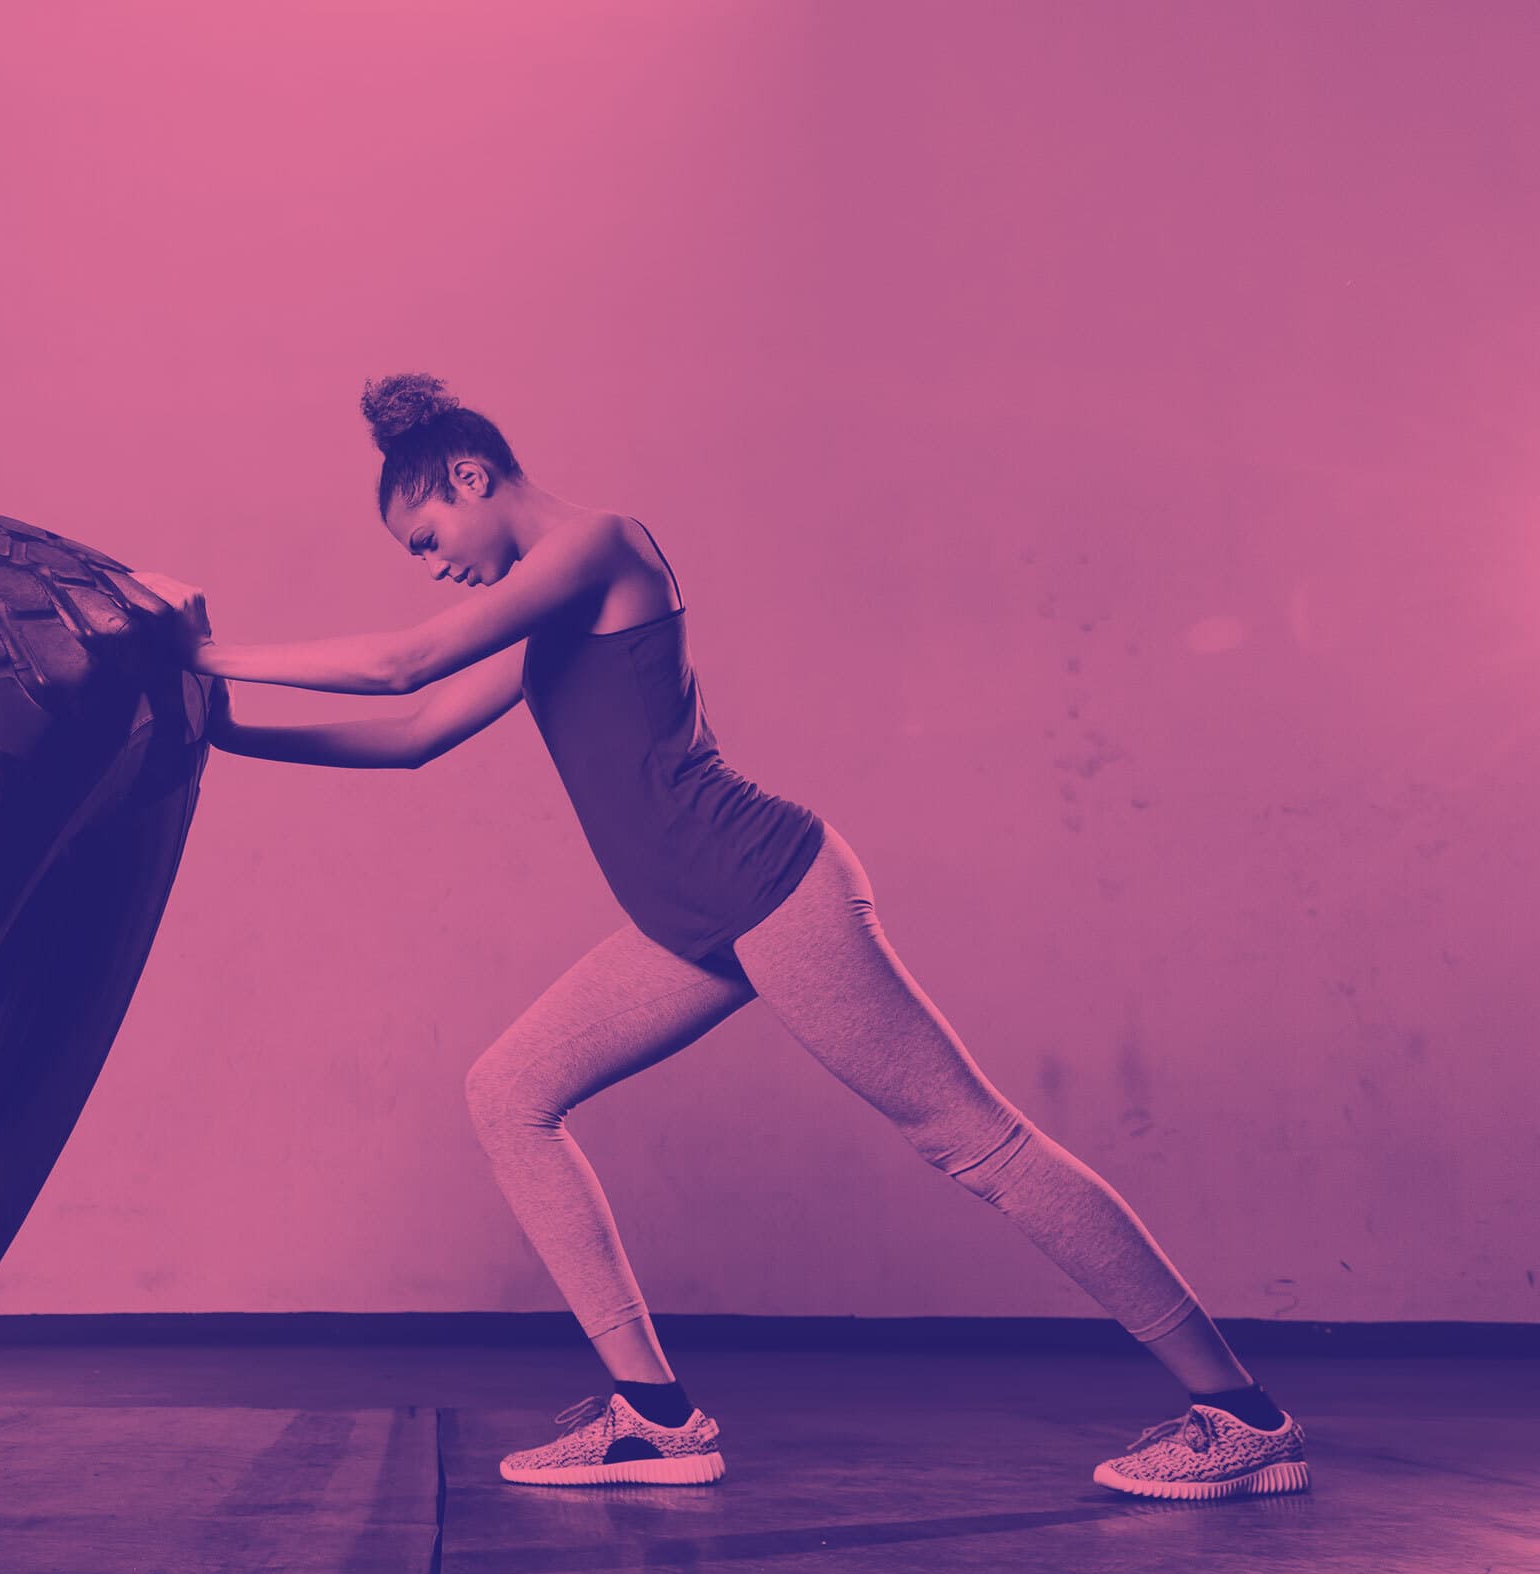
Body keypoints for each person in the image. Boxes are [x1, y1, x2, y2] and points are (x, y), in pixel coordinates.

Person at [114, 372, 1308, 1501]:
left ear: (470, 477)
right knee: (509, 1092)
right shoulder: (545, 624)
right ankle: (653, 1415)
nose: (433, 569)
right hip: (685, 925)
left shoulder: (602, 546)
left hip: (769, 888)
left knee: (977, 1145)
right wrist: (223, 731)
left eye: (425, 539)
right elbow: (417, 729)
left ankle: (1243, 1420)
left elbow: (399, 664)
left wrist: (197, 653)